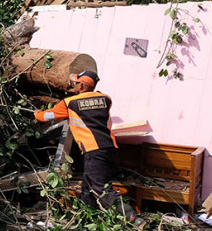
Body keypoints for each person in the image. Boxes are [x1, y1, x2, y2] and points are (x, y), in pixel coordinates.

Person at [33, 71, 135, 219]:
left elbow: (48, 116)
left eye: (75, 83)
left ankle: (132, 217)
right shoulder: (106, 99)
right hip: (109, 147)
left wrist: (37, 113)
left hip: (93, 149)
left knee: (102, 190)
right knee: (88, 187)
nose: (73, 86)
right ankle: (87, 217)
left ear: (81, 85)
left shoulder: (71, 103)